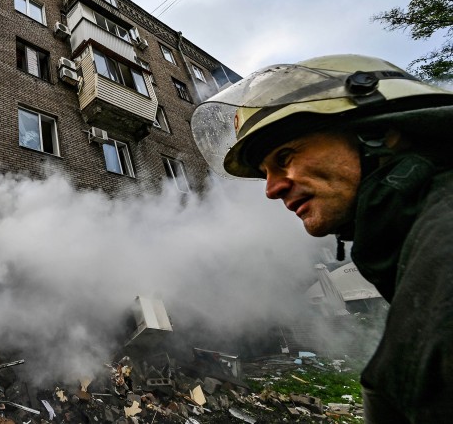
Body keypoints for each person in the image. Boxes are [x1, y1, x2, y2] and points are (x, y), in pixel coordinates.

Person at [191, 54, 453, 423]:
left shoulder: (443, 246)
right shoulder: (419, 240)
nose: (271, 189)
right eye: (265, 171)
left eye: (285, 156)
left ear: (379, 132)